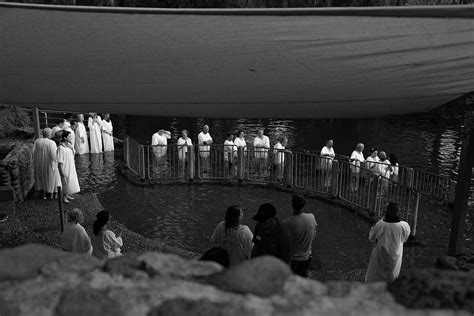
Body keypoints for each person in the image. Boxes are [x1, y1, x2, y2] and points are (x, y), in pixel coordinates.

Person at [366, 203, 411, 283]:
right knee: (392, 275)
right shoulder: (404, 226)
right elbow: (405, 238)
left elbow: (371, 238)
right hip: (396, 253)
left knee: (377, 274)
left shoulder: (381, 224)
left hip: (380, 254)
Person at [281, 194, 317, 278]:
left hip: (294, 259)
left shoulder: (286, 223)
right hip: (308, 256)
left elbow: (284, 243)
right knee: (305, 277)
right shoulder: (311, 217)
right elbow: (314, 235)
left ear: (292, 205)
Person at [33, 128, 62, 199]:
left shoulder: (37, 141)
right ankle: (49, 197)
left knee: (41, 181)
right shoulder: (51, 143)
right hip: (49, 165)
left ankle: (42, 196)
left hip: (39, 164)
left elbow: (33, 153)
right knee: (50, 182)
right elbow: (54, 156)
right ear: (49, 134)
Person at [57, 131, 80, 203]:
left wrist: (72, 148)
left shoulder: (70, 145)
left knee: (70, 181)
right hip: (65, 166)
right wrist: (61, 170)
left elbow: (73, 155)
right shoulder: (61, 147)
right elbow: (59, 160)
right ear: (65, 138)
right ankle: (64, 197)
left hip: (71, 166)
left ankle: (67, 195)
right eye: (69, 136)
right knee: (65, 182)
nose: (71, 137)